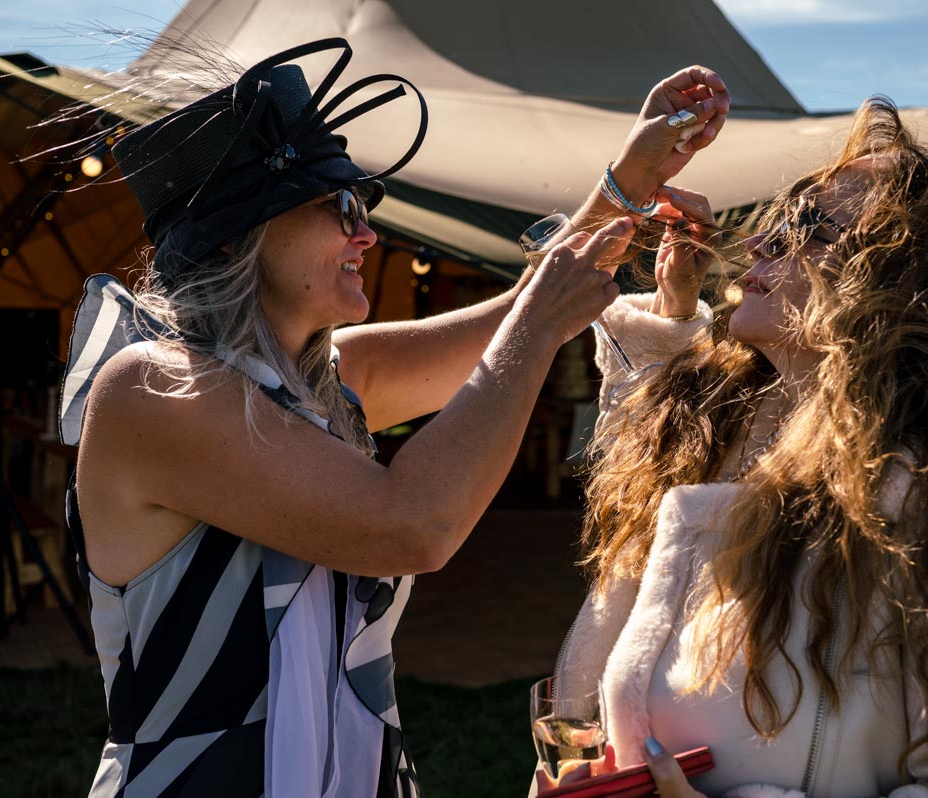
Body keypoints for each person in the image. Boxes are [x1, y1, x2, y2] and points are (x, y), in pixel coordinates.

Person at [57, 38, 730, 798]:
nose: (368, 233)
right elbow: (412, 523)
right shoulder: (151, 387)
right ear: (242, 235)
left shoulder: (327, 378)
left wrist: (629, 181)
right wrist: (540, 325)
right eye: (340, 206)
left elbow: (507, 322)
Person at [549, 96, 928, 797]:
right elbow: (642, 434)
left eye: (810, 227)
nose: (761, 245)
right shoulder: (728, 429)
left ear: (907, 284)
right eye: (776, 222)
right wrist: (674, 314)